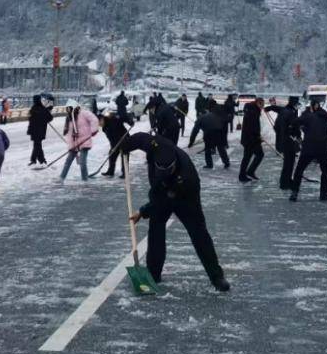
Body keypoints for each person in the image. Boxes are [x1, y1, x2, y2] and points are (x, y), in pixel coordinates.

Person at [123, 132, 230, 292]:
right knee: (156, 232)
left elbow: (162, 201)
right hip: (161, 192)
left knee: (199, 234)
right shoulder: (154, 144)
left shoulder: (187, 178)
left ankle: (217, 276)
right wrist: (124, 146)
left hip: (185, 198)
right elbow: (138, 139)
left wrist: (143, 211)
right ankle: (153, 274)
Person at [289, 99, 327, 202]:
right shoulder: (325, 117)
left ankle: (294, 193)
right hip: (322, 149)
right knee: (325, 172)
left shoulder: (308, 116)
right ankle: (323, 195)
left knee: (299, 170)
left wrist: (299, 129)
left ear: (312, 107)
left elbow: (294, 122)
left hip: (308, 148)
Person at [268, 96, 300, 189]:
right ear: (294, 103)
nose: (298, 105)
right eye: (297, 103)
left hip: (287, 140)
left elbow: (278, 109)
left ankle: (287, 180)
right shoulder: (289, 112)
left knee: (289, 162)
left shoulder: (288, 110)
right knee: (288, 163)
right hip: (288, 140)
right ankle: (285, 183)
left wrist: (270, 107)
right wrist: (296, 134)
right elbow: (292, 126)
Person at [61, 104, 100, 181]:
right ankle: (62, 177)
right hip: (74, 144)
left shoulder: (84, 113)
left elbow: (94, 120)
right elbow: (69, 133)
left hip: (84, 141)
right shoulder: (69, 118)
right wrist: (71, 145)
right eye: (67, 108)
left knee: (82, 162)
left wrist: (93, 130)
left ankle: (84, 180)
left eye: (69, 108)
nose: (68, 110)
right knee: (68, 161)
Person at [238, 97, 264, 182]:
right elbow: (252, 127)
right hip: (250, 139)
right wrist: (257, 136)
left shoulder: (253, 110)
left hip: (253, 138)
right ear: (257, 102)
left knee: (259, 154)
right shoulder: (253, 111)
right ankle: (242, 175)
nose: (262, 106)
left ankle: (249, 172)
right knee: (247, 157)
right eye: (261, 104)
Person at [99, 108, 129, 177]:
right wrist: (113, 147)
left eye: (99, 122)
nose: (99, 125)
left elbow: (122, 118)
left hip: (125, 139)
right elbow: (111, 139)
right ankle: (110, 171)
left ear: (102, 119)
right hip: (116, 142)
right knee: (112, 155)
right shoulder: (105, 127)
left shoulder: (113, 122)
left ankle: (125, 173)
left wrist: (129, 121)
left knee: (124, 156)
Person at [27, 94, 54, 165]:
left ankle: (36, 160)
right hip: (40, 130)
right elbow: (50, 118)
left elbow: (30, 118)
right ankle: (41, 160)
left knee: (37, 145)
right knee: (37, 145)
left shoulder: (33, 109)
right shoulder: (43, 108)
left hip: (34, 130)